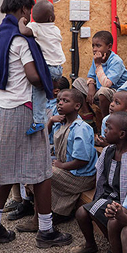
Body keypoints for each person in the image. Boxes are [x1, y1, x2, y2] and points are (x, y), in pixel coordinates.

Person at [0, 0, 70, 248]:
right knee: (42, 171)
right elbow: (32, 76)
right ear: (22, 10)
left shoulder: (1, 36)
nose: (29, 16)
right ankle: (46, 230)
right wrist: (49, 81)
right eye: (27, 11)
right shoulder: (22, 40)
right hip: (23, 109)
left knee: (7, 170)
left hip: (1, 108)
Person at [73, 112, 127, 253]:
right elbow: (101, 177)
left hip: (123, 201)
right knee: (82, 212)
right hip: (107, 195)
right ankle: (90, 244)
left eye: (109, 128)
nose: (104, 130)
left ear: (121, 134)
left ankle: (114, 247)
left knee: (93, 210)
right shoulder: (109, 151)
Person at [47, 88, 99, 219]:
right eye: (59, 100)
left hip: (81, 177)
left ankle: (43, 217)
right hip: (69, 171)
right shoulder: (60, 123)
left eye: (65, 101)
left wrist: (62, 166)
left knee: (42, 173)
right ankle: (50, 211)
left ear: (77, 106)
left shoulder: (81, 128)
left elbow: (82, 160)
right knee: (35, 168)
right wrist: (51, 121)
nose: (60, 103)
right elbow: (44, 138)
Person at [17, 0, 65, 135]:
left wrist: (21, 21)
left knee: (37, 93)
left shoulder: (35, 27)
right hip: (58, 68)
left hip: (47, 68)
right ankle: (43, 115)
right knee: (43, 94)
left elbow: (24, 31)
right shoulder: (55, 29)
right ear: (51, 18)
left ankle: (38, 121)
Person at [87, 30, 127, 94]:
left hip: (116, 92)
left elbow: (107, 84)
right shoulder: (97, 59)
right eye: (93, 46)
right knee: (78, 82)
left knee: (103, 91)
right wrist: (91, 86)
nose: (94, 49)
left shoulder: (116, 61)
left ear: (109, 47)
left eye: (98, 46)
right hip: (99, 89)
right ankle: (86, 104)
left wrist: (98, 65)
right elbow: (91, 77)